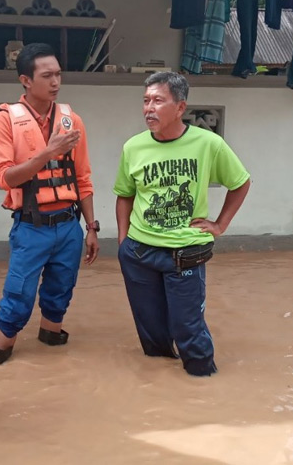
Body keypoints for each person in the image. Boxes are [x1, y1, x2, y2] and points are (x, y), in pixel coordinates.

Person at [113, 72, 251, 377]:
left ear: (180, 107)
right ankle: (161, 394)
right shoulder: (133, 148)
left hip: (185, 252)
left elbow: (240, 182)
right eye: (146, 101)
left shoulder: (209, 143)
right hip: (139, 253)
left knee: (188, 328)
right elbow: (125, 195)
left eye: (158, 100)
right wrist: (124, 242)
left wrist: (220, 224)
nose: (149, 108)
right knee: (151, 332)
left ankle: (202, 382)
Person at [0, 43, 99, 364]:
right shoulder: (5, 120)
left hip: (69, 226)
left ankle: (51, 336)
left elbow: (83, 178)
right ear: (25, 80)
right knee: (18, 296)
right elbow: (6, 177)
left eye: (58, 74)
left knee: (61, 290)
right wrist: (47, 153)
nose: (56, 82)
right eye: (47, 75)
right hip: (31, 227)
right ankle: (0, 351)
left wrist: (91, 228)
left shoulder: (71, 120)